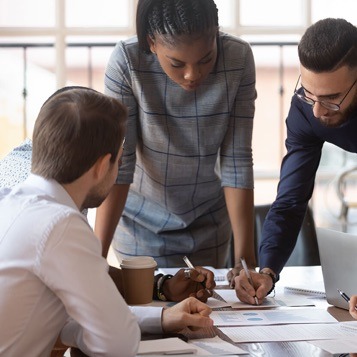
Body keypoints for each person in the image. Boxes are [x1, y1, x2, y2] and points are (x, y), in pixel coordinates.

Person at [0, 86, 213, 357]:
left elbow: (61, 320)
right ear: (102, 166)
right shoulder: (60, 224)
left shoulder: (8, 201)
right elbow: (117, 344)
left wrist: (160, 318)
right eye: (119, 163)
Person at [95, 0, 257, 272]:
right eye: (177, 63)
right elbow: (121, 165)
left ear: (216, 33)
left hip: (209, 222)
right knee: (150, 309)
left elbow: (236, 160)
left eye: (206, 58)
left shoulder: (238, 58)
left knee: (206, 310)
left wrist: (246, 262)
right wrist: (95, 258)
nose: (193, 74)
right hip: (140, 225)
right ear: (152, 43)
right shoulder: (127, 61)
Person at [234, 18, 357, 305]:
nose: (317, 111)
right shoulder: (306, 110)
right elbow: (290, 201)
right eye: (309, 92)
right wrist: (268, 270)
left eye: (332, 98)